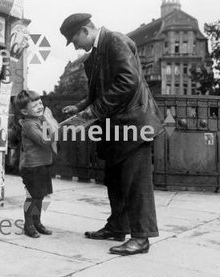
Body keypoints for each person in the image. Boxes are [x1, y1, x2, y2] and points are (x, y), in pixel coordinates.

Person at [60, 13, 164, 255]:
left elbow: (128, 82)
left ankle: (141, 237)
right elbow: (101, 89)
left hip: (135, 125)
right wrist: (81, 107)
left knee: (136, 182)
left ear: (85, 30)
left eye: (74, 40)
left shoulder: (115, 41)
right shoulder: (96, 53)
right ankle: (118, 226)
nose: (75, 46)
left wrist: (90, 113)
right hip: (117, 126)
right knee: (115, 180)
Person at [14, 90, 58, 238]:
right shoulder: (29, 125)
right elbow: (44, 140)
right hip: (32, 167)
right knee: (32, 197)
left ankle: (37, 222)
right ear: (25, 111)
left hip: (42, 165)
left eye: (40, 103)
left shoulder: (39, 120)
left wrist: (47, 122)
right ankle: (28, 225)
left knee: (40, 197)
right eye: (35, 105)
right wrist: (52, 127)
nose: (40, 107)